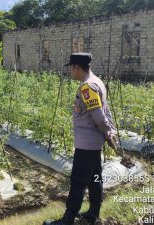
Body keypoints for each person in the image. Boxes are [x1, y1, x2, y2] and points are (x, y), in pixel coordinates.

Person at [43, 53, 118, 225]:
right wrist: (111, 130)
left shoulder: (87, 87)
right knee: (95, 178)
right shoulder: (98, 82)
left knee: (77, 181)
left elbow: (99, 116)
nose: (70, 71)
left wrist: (108, 132)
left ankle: (68, 219)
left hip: (86, 145)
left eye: (71, 68)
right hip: (93, 144)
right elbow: (106, 111)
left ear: (77, 67)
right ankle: (93, 213)